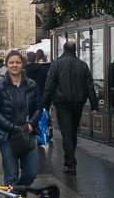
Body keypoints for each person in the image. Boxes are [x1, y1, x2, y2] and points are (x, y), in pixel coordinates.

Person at [0, 49, 43, 189]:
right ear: (6, 65)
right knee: (11, 175)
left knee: (31, 173)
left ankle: (18, 195)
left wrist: (31, 124)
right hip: (7, 135)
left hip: (27, 132)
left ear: (23, 64)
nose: (15, 65)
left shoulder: (31, 85)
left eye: (18, 62)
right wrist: (12, 128)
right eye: (11, 62)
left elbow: (38, 107)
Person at [42, 41, 98, 175]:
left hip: (62, 103)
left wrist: (45, 104)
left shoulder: (56, 64)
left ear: (63, 49)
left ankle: (70, 163)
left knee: (66, 132)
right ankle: (70, 159)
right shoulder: (83, 65)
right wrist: (94, 105)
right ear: (75, 51)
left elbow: (49, 86)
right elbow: (90, 86)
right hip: (78, 103)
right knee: (72, 131)